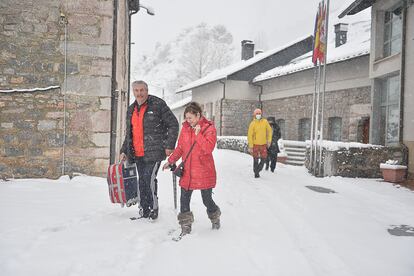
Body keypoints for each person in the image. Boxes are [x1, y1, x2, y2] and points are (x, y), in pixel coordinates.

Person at [120, 80, 179, 220]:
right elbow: (129, 133)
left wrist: (169, 145)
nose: (139, 93)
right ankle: (143, 210)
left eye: (142, 90)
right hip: (137, 153)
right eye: (136, 91)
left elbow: (173, 124)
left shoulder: (158, 105)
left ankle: (153, 208)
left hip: (155, 151)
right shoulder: (131, 109)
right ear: (133, 92)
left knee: (149, 179)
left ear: (147, 90)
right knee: (142, 181)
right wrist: (124, 150)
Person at [162, 102, 221, 238]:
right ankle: (186, 226)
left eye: (190, 118)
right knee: (184, 199)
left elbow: (208, 148)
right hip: (188, 170)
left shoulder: (209, 128)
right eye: (186, 118)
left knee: (207, 200)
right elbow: (181, 148)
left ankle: (215, 216)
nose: (188, 121)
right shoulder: (185, 128)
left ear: (198, 115)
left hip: (204, 171)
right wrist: (170, 161)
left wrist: (198, 134)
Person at [247, 108, 272, 178]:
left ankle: (258, 169)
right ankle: (256, 173)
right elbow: (250, 135)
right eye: (257, 114)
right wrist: (251, 146)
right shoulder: (252, 124)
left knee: (264, 158)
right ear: (254, 115)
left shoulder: (265, 122)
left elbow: (269, 131)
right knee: (255, 159)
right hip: (255, 144)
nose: (258, 115)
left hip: (263, 144)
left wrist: (269, 140)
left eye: (259, 113)